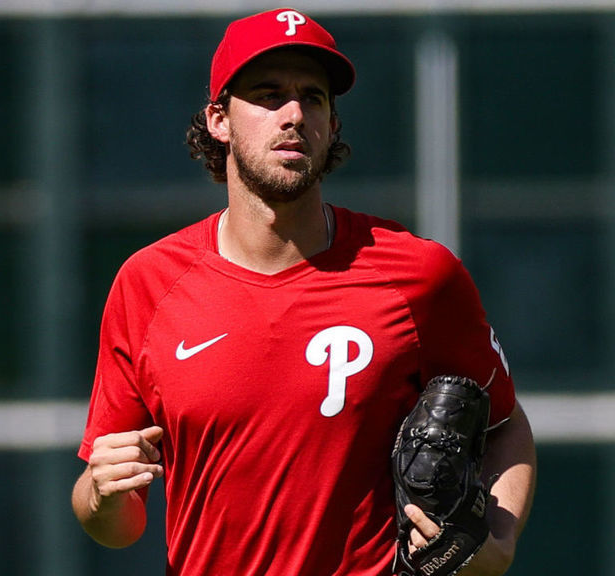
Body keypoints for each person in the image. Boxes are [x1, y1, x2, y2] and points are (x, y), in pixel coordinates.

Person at [72, 8, 536, 576]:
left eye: (313, 98)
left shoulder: (417, 273)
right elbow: (117, 525)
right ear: (219, 119)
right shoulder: (148, 284)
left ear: (333, 125)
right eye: (269, 95)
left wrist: (498, 543)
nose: (293, 114)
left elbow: (505, 424)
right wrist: (100, 496)